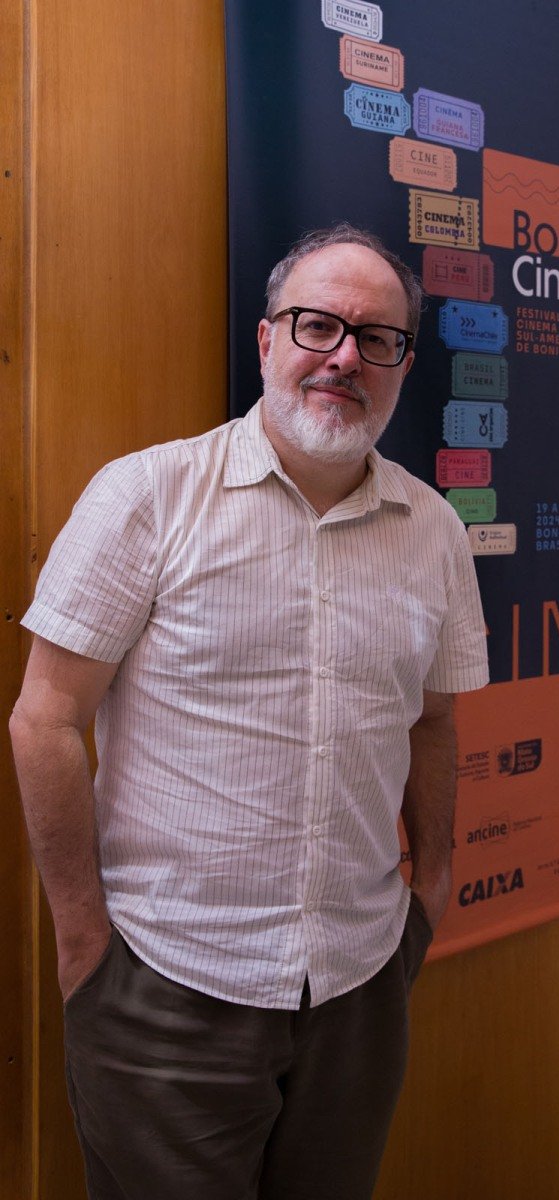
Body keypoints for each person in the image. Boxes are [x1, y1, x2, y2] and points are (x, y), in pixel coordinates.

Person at [10, 223, 488, 1200]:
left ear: (403, 365)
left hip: (360, 981)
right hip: (165, 984)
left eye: (377, 338)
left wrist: (431, 887)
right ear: (267, 341)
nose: (345, 357)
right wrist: (84, 944)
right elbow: (44, 718)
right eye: (318, 326)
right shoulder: (147, 497)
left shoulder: (433, 531)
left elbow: (432, 722)